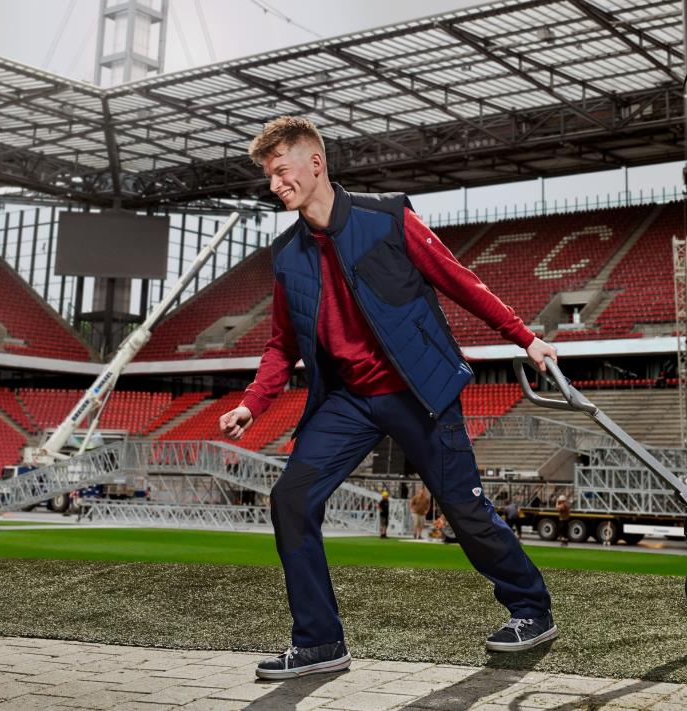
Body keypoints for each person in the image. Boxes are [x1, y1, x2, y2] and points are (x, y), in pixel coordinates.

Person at [219, 116, 559, 680]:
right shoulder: (287, 256)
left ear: (315, 163)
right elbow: (282, 344)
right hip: (348, 400)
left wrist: (524, 337)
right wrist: (253, 403)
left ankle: (530, 609)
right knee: (291, 500)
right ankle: (319, 641)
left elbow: (458, 279)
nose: (275, 185)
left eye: (281, 172)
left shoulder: (387, 218)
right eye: (269, 177)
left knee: (465, 509)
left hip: (419, 390)